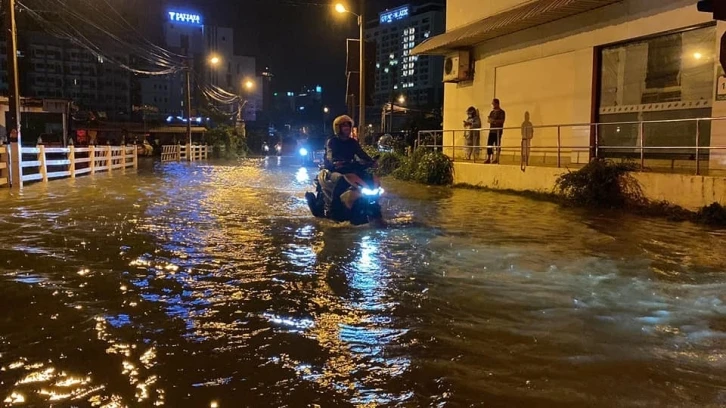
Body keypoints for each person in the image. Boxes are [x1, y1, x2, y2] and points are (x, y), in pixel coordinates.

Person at [486, 98, 506, 164]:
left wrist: (493, 121)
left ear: (497, 104)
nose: (493, 105)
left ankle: (497, 158)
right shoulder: (492, 112)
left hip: (497, 131)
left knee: (497, 145)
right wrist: (490, 120)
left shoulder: (502, 112)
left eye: (494, 104)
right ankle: (488, 158)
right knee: (489, 144)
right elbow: (489, 119)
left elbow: (501, 121)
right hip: (491, 131)